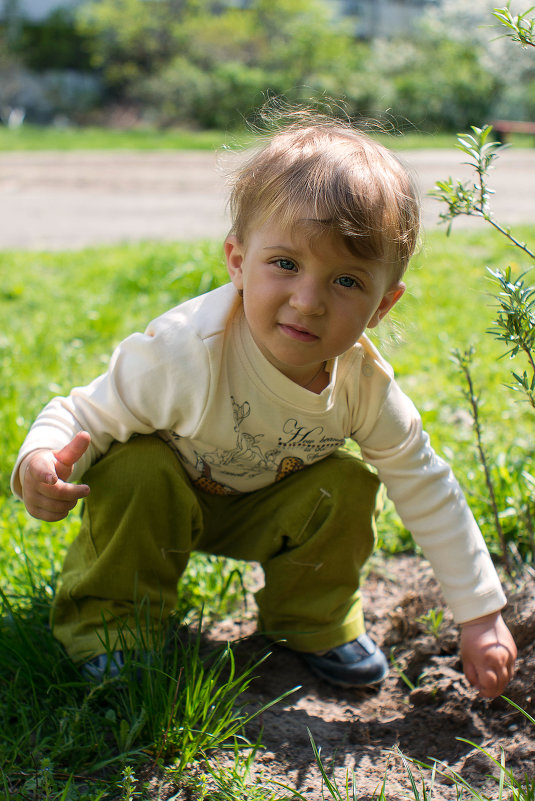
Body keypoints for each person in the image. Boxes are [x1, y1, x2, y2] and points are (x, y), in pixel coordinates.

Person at [11, 113, 516, 696]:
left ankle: (311, 621)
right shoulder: (183, 352)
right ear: (237, 261)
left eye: (347, 282)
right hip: (163, 501)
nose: (308, 302)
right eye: (286, 264)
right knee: (136, 467)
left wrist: (480, 614)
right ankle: (111, 626)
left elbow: (427, 486)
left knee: (349, 484)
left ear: (383, 305)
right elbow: (82, 414)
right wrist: (42, 460)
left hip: (267, 504)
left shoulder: (364, 386)